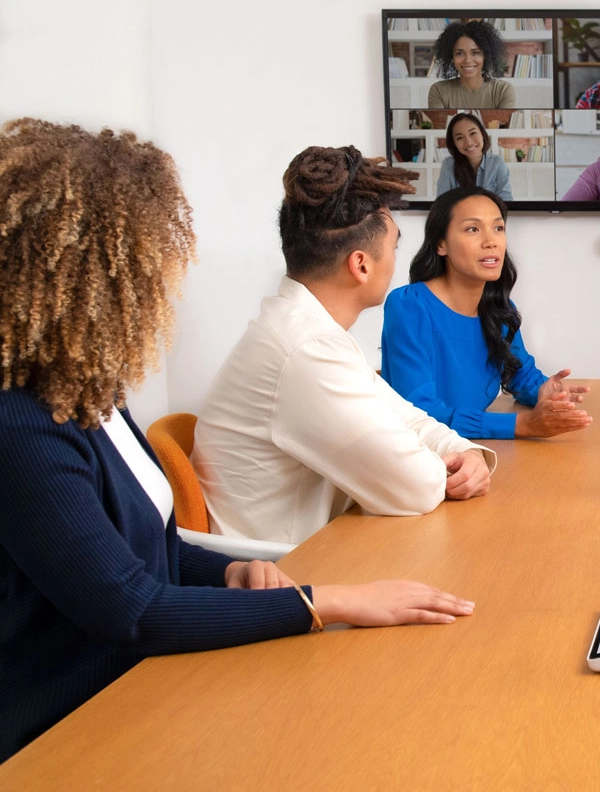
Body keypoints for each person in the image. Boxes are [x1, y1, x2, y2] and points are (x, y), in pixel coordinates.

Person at [0, 119, 477, 763]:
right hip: (73, 727)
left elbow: (153, 550)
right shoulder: (20, 425)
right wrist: (327, 602)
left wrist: (229, 571)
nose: (164, 280)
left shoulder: (87, 391)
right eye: (147, 263)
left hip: (149, 680)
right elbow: (132, 610)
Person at [193, 146, 498, 545]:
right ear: (361, 265)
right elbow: (416, 487)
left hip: (329, 546)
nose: (394, 262)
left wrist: (466, 453)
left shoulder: (312, 330)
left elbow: (406, 417)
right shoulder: (305, 348)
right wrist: (448, 466)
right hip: (289, 574)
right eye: (393, 248)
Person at [382, 187, 591, 440]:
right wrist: (520, 425)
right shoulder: (410, 306)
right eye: (473, 229)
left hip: (475, 449)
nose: (491, 241)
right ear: (441, 244)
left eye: (498, 228)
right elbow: (420, 413)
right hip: (424, 456)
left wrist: (543, 392)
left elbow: (519, 372)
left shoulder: (499, 309)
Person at [427, 20, 517, 109]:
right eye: (459, 53)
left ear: (485, 55)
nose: (468, 60)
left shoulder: (503, 90)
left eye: (475, 53)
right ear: (451, 57)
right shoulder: (439, 91)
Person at [436, 112, 513, 200]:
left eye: (473, 133)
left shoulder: (497, 163)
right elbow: (441, 203)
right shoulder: (449, 165)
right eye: (460, 138)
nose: (469, 142)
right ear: (454, 143)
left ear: (482, 134)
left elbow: (506, 202)